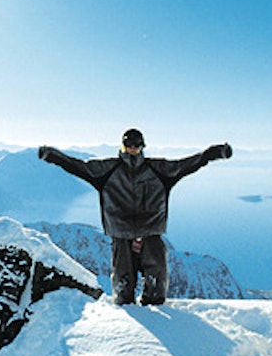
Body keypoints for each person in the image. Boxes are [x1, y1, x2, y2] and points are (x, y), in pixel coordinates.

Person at [38, 128, 232, 306]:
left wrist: (214, 153)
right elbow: (76, 166)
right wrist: (52, 155)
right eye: (129, 145)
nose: (132, 148)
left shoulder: (158, 169)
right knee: (123, 285)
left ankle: (156, 315)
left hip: (150, 230)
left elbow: (189, 164)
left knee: (156, 280)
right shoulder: (107, 169)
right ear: (123, 146)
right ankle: (127, 320)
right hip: (122, 233)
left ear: (142, 146)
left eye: (136, 145)